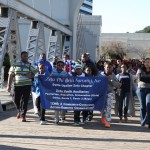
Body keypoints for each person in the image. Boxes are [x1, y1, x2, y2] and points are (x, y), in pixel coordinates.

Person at [7, 51, 37, 122]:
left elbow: (36, 73)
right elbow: (10, 75)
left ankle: (23, 115)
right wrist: (9, 85)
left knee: (25, 100)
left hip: (27, 85)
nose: (26, 57)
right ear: (21, 57)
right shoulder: (15, 65)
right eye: (24, 56)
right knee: (15, 99)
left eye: (27, 56)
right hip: (17, 85)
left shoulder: (30, 65)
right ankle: (19, 110)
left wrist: (31, 75)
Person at [100, 62, 121, 128]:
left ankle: (108, 121)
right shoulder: (100, 75)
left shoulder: (113, 75)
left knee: (108, 107)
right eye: (107, 67)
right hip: (102, 94)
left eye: (110, 67)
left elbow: (118, 85)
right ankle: (103, 118)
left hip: (110, 93)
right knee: (103, 108)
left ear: (112, 68)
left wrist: (111, 80)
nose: (108, 69)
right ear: (104, 68)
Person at [51, 59, 68, 125]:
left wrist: (66, 77)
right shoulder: (53, 72)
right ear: (56, 66)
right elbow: (49, 80)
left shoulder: (65, 73)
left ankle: (62, 116)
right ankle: (56, 118)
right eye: (58, 65)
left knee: (63, 104)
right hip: (55, 90)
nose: (60, 66)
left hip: (63, 90)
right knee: (56, 104)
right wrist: (51, 77)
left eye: (61, 65)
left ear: (63, 66)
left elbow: (69, 81)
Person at [136, 58, 150, 128]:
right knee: (142, 106)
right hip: (141, 89)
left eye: (148, 62)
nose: (147, 63)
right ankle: (143, 121)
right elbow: (140, 79)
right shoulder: (140, 70)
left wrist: (145, 79)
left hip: (149, 90)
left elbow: (143, 78)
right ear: (144, 63)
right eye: (146, 62)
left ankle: (148, 122)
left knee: (149, 105)